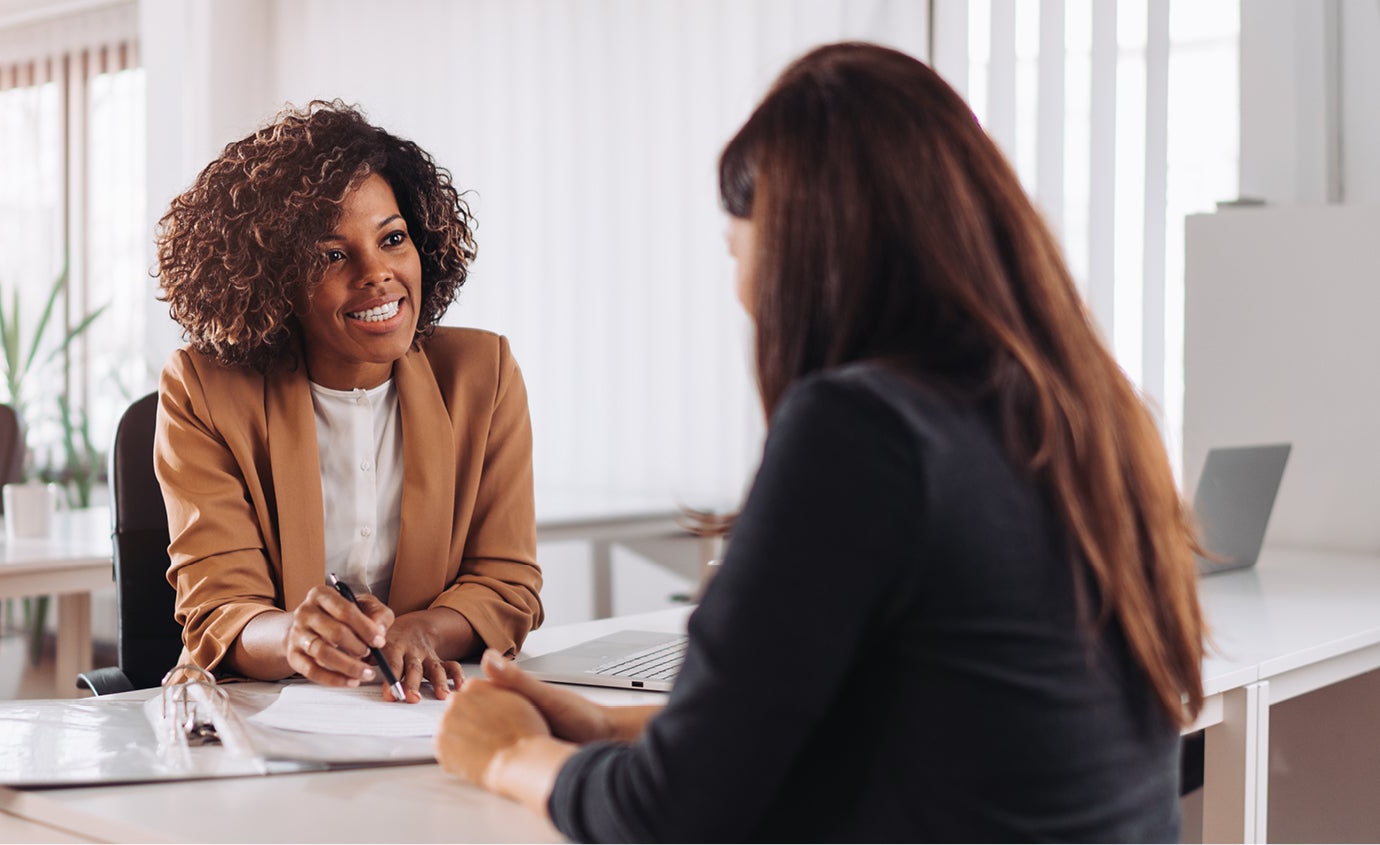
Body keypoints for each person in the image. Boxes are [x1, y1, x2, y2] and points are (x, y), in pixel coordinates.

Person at [434, 42, 1205, 840]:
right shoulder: (1099, 417)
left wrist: (509, 754)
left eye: (738, 251)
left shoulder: (864, 432)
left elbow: (671, 816)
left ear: (804, 250)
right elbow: (913, 724)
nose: (742, 298)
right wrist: (606, 728)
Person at [153, 101, 543, 702]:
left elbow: (506, 583)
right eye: (333, 255)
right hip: (260, 717)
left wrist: (421, 632)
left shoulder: (481, 374)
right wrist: (294, 638)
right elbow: (220, 608)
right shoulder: (203, 389)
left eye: (393, 239)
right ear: (274, 278)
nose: (378, 273)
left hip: (423, 710)